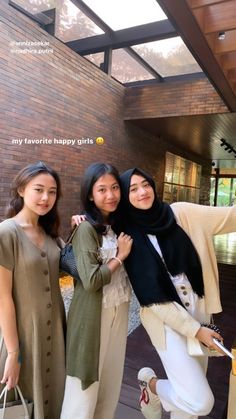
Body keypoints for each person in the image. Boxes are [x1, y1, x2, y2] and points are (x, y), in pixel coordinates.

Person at [119, 167, 236, 419]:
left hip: (198, 311)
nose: (142, 192)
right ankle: (151, 385)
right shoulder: (128, 236)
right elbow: (152, 299)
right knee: (199, 400)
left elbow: (231, 216)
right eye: (133, 188)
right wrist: (195, 331)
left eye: (146, 184)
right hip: (166, 322)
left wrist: (198, 325)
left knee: (187, 404)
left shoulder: (182, 213)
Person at [60, 163, 133, 419]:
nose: (110, 195)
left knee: (111, 383)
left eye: (114, 188)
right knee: (85, 388)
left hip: (120, 309)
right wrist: (120, 257)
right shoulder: (85, 229)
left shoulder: (120, 224)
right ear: (90, 194)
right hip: (93, 314)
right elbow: (91, 281)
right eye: (102, 189)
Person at [0, 161, 66, 419]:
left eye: (52, 192)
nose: (45, 197)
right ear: (21, 189)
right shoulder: (6, 233)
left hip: (55, 332)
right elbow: (3, 298)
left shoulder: (50, 233)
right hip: (24, 336)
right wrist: (14, 353)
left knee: (53, 401)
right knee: (21, 405)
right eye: (38, 189)